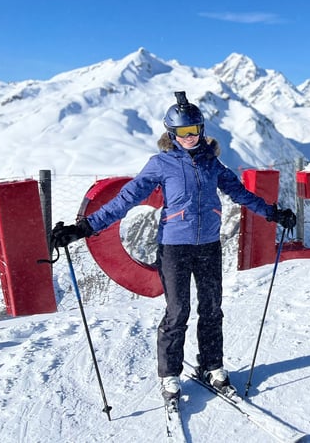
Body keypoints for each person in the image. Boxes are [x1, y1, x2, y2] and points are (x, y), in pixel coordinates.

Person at [50, 91, 297, 404]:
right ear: (171, 133)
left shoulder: (212, 163)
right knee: (178, 311)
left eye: (194, 130)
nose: (190, 137)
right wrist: (84, 228)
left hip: (208, 245)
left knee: (211, 308)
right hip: (174, 248)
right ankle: (170, 373)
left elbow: (240, 194)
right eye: (182, 132)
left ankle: (212, 366)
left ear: (202, 129)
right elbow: (126, 198)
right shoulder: (160, 164)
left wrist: (273, 213)